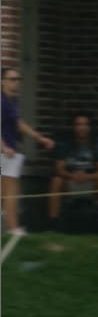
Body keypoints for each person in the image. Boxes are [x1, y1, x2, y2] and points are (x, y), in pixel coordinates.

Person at [1, 67, 54, 235]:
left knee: (7, 191)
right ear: (2, 81)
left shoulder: (12, 101)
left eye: (17, 79)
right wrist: (3, 147)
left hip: (11, 151)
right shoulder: (1, 101)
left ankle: (10, 226)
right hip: (5, 151)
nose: (15, 82)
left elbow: (18, 124)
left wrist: (39, 137)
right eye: (11, 79)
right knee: (11, 190)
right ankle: (13, 227)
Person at [47, 113, 98, 234]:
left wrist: (87, 176)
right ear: (73, 127)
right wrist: (72, 176)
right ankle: (53, 227)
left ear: (90, 127)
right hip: (70, 182)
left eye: (85, 124)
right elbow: (59, 168)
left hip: (92, 183)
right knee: (56, 181)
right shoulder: (65, 142)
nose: (82, 128)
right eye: (78, 124)